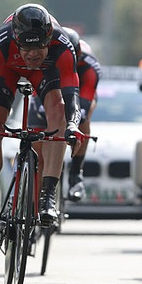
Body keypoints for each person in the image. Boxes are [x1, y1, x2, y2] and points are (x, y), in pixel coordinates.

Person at [0, 4, 83, 244]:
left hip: (45, 72)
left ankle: (47, 195)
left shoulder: (62, 44)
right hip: (8, 70)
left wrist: (73, 126)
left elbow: (72, 95)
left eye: (39, 47)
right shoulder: (1, 42)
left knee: (58, 110)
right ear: (16, 40)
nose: (33, 54)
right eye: (26, 47)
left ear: (49, 39)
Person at [26, 27, 101, 202]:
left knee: (82, 117)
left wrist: (72, 122)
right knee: (39, 148)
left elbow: (84, 103)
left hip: (79, 87)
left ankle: (76, 173)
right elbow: (38, 93)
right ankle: (35, 201)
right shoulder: (49, 54)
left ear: (78, 55)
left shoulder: (89, 65)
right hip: (51, 82)